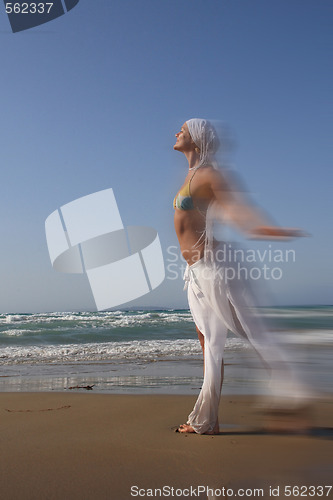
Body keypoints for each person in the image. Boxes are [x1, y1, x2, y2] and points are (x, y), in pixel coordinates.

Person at [173, 118, 307, 434]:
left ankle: (288, 396)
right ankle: (211, 420)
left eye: (183, 128)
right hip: (194, 271)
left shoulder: (209, 175)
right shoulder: (191, 174)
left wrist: (267, 229)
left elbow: (237, 210)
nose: (176, 132)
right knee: (208, 343)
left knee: (242, 334)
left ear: (197, 138)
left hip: (213, 267)